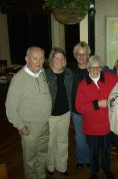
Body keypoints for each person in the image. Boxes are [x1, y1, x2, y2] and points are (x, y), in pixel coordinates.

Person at [5, 46, 52, 179]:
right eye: (35, 59)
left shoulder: (42, 72)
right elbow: (10, 107)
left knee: (42, 153)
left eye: (41, 58)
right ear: (27, 59)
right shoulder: (18, 79)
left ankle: (41, 175)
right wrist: (20, 125)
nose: (39, 62)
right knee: (30, 159)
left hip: (44, 124)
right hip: (29, 127)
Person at [75, 55, 118, 179]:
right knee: (93, 152)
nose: (95, 71)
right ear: (87, 68)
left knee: (106, 151)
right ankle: (94, 172)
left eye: (97, 67)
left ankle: (106, 169)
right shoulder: (83, 85)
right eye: (92, 68)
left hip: (107, 125)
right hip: (91, 127)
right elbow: (79, 107)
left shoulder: (110, 78)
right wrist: (97, 104)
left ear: (101, 67)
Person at [45, 47, 73, 176]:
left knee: (62, 141)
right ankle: (50, 167)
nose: (59, 60)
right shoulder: (45, 74)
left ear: (65, 60)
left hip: (65, 113)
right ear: (51, 59)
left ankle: (62, 166)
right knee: (50, 143)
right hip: (50, 115)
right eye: (56, 57)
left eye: (62, 58)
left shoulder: (69, 73)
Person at [71, 41, 91, 169]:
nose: (81, 56)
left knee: (89, 136)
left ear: (88, 55)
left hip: (90, 110)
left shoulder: (93, 70)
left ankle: (88, 159)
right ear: (75, 55)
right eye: (79, 54)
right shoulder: (70, 71)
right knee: (79, 137)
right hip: (76, 111)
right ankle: (80, 159)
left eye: (84, 54)